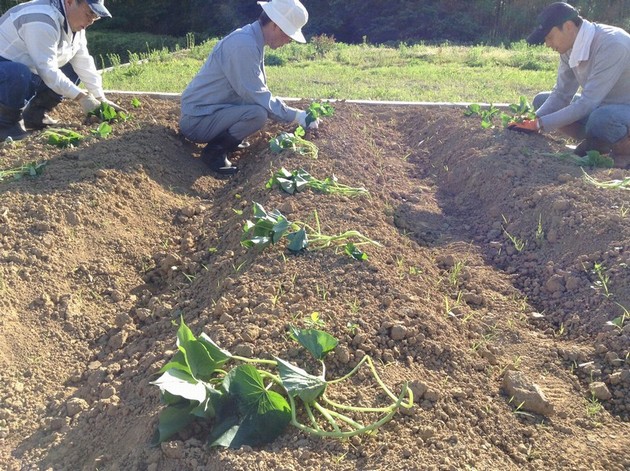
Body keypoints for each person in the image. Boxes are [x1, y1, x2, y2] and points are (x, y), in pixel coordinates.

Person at [179, 0, 320, 176]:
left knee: (257, 110)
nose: (289, 40)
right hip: (198, 121)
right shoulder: (243, 45)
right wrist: (296, 116)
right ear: (275, 25)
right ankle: (214, 153)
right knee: (257, 114)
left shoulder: (251, 39)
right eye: (288, 34)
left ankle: (226, 140)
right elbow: (256, 94)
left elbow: (254, 90)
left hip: (209, 111)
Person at [508, 2, 630, 168]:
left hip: (620, 110)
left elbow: (587, 102)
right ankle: (596, 143)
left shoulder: (612, 44)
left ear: (568, 26)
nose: (547, 44)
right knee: (541, 101)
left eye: (549, 37)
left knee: (600, 118)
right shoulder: (568, 48)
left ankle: (624, 152)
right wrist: (533, 119)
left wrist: (539, 124)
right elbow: (561, 94)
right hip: (601, 107)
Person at [0, 0, 124, 141]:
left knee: (70, 67)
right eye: (89, 13)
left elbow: (83, 62)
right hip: (7, 69)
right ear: (70, 2)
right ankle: (5, 125)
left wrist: (100, 98)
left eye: (95, 17)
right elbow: (47, 70)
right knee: (18, 72)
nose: (90, 21)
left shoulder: (74, 25)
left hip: (24, 72)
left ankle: (34, 115)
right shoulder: (41, 19)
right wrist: (82, 97)